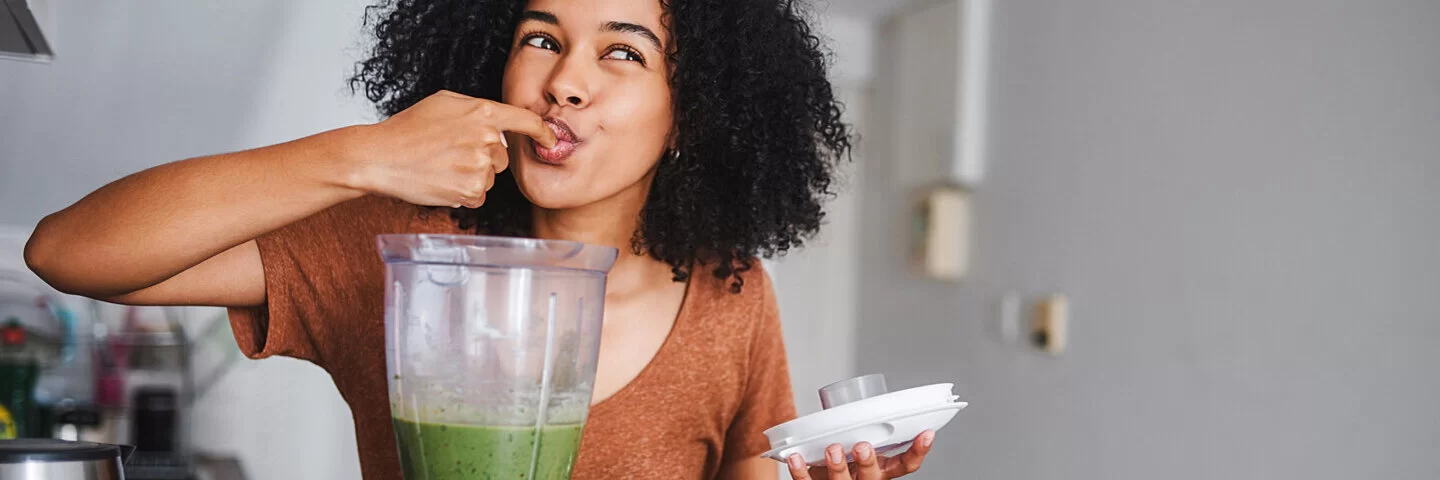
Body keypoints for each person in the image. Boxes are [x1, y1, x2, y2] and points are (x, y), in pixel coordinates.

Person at [25, 0, 937, 478]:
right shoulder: (400, 251)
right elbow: (69, 252)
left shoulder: (728, 292)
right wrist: (365, 154)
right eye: (541, 38)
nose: (565, 81)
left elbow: (747, 465)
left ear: (690, 114)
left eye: (622, 52)